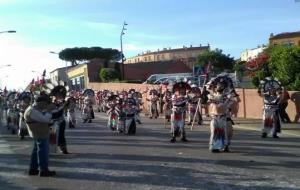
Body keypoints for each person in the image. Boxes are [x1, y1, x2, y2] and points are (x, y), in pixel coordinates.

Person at [24, 92, 63, 177]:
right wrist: (49, 110)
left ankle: (33, 169)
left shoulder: (33, 108)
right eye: (45, 104)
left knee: (36, 151)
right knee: (43, 151)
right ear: (41, 103)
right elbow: (45, 119)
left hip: (37, 132)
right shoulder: (33, 111)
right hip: (40, 133)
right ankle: (43, 170)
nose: (46, 105)